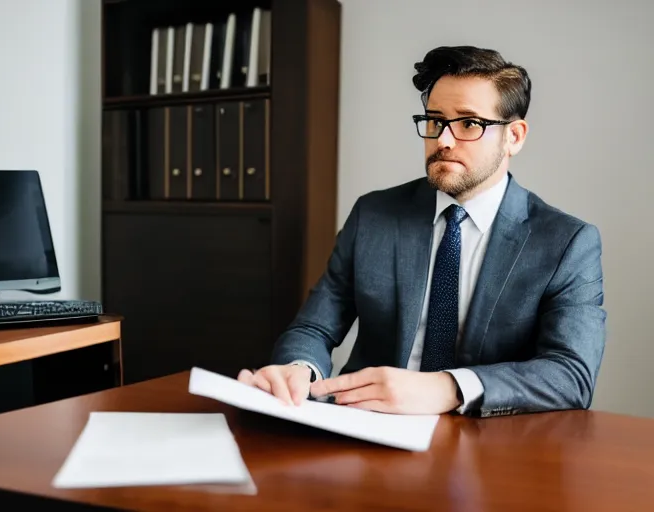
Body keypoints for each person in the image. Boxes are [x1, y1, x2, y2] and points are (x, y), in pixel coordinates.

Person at [237, 45, 606, 418]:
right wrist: (299, 370)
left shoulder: (566, 242)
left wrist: (449, 387)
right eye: (435, 121)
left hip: (488, 445)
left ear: (514, 136)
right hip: (364, 427)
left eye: (469, 124)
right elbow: (314, 327)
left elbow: (571, 374)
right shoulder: (374, 215)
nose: (443, 140)